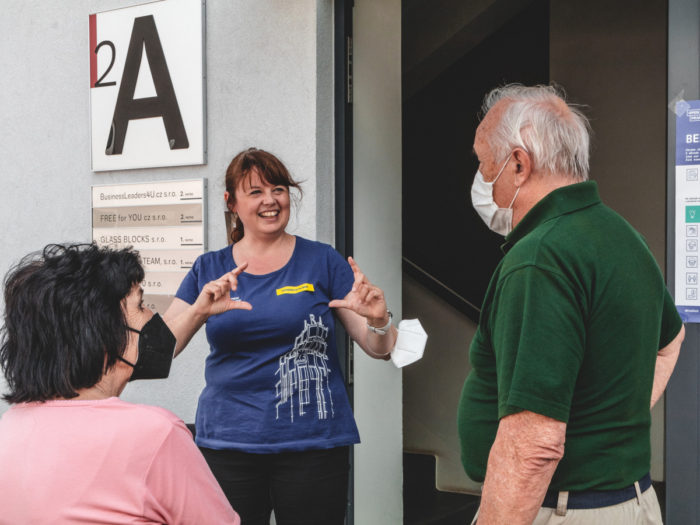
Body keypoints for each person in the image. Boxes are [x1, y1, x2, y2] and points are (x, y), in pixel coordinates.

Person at [457, 84, 685, 525]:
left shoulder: (540, 258)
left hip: (566, 510)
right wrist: (606, 427)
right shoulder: (621, 236)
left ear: (519, 163)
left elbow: (533, 444)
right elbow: (671, 342)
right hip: (632, 503)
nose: (483, 176)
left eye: (484, 162)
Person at [163, 147, 398, 525]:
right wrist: (199, 311)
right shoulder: (210, 268)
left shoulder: (323, 260)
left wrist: (379, 320)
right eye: (255, 192)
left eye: (278, 189)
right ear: (232, 203)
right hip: (229, 443)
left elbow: (378, 349)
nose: (270, 200)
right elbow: (160, 349)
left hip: (313, 444)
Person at [0, 243, 240, 525]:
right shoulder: (156, 433)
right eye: (140, 305)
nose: (153, 317)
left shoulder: (10, 426)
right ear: (104, 331)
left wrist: (198, 312)